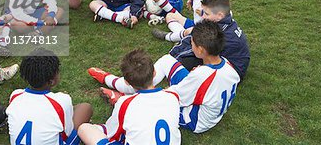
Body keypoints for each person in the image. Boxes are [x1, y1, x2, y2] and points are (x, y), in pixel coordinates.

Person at [88, 21, 241, 134]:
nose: (190, 44)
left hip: (194, 118)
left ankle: (122, 93)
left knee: (154, 99)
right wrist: (200, 72)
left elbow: (173, 96)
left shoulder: (201, 76)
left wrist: (149, 94)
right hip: (205, 99)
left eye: (192, 42)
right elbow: (208, 83)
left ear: (201, 50)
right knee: (168, 60)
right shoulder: (227, 65)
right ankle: (124, 84)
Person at [80, 49, 181, 144]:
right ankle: (110, 82)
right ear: (154, 73)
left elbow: (112, 133)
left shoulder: (125, 104)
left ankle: (109, 80)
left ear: (126, 82)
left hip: (126, 104)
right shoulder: (173, 96)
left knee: (84, 128)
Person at [152, 0, 250, 79]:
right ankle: (171, 37)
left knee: (182, 63)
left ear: (220, 15)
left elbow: (194, 48)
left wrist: (172, 58)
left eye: (206, 14)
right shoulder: (225, 22)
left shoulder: (218, 33)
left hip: (232, 73)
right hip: (233, 64)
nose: (203, 17)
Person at [6, 48, 92, 145]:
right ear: (52, 81)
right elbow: (66, 133)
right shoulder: (62, 100)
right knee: (85, 108)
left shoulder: (15, 95)